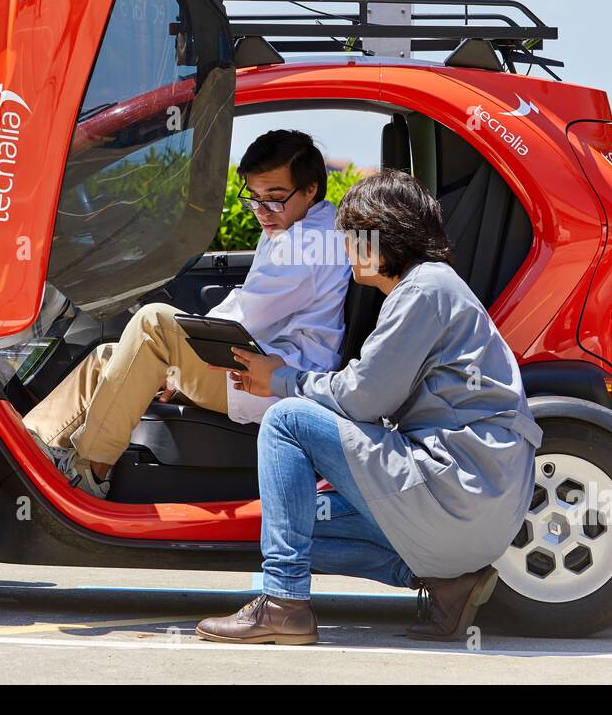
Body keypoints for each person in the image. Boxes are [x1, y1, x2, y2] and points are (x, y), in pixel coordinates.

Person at [195, 169, 541, 645]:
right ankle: (449, 584)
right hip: (473, 513)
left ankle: (283, 604)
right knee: (290, 522)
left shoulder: (423, 290)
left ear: (381, 234)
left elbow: (363, 398)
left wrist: (279, 379)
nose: (343, 249)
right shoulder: (431, 289)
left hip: (453, 490)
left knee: (285, 420)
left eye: (351, 236)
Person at [23, 129, 352, 498]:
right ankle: (27, 451)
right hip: (257, 360)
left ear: (310, 189)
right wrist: (175, 362)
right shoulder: (299, 223)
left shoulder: (305, 245)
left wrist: (175, 362)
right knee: (108, 357)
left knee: (153, 324)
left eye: (274, 199)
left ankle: (89, 470)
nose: (261, 211)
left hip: (274, 382)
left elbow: (243, 318)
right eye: (253, 199)